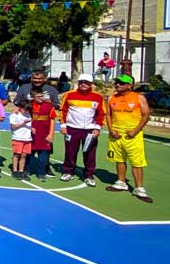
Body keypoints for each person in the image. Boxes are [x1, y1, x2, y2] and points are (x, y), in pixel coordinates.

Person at [105, 74, 152, 202]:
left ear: (129, 85)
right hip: (116, 135)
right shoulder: (111, 98)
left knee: (137, 161)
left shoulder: (138, 97)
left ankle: (139, 188)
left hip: (133, 135)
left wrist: (135, 130)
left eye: (121, 83)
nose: (117, 85)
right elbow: (108, 115)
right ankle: (121, 182)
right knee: (119, 159)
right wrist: (111, 129)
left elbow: (146, 115)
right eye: (116, 83)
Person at [59, 73, 105, 186]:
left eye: (86, 83)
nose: (83, 84)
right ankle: (68, 171)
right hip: (72, 128)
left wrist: (97, 128)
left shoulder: (98, 97)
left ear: (91, 84)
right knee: (70, 151)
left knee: (90, 153)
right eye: (81, 82)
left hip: (90, 129)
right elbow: (62, 110)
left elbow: (101, 113)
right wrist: (63, 125)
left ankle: (89, 175)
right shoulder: (69, 95)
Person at [15, 68, 61, 177]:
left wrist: (50, 103)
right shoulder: (24, 88)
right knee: (28, 147)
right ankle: (26, 168)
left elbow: (58, 105)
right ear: (31, 78)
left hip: (45, 125)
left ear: (44, 79)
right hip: (29, 124)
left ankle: (46, 168)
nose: (37, 81)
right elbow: (16, 101)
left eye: (39, 78)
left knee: (45, 149)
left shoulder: (51, 90)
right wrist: (23, 105)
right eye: (34, 78)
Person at [28, 86, 57, 183]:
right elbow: (22, 114)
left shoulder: (49, 106)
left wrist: (51, 134)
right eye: (39, 96)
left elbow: (53, 120)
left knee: (43, 156)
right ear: (32, 96)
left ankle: (41, 173)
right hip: (31, 136)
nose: (42, 98)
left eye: (42, 96)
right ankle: (28, 170)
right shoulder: (29, 105)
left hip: (44, 136)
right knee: (29, 154)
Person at [9, 101, 33, 180]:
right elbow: (13, 127)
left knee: (24, 155)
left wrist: (32, 129)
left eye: (28, 110)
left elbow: (29, 126)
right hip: (18, 138)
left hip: (27, 138)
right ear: (20, 108)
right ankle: (15, 170)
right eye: (25, 109)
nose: (26, 111)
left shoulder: (29, 115)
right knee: (16, 155)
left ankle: (21, 171)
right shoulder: (14, 115)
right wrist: (23, 123)